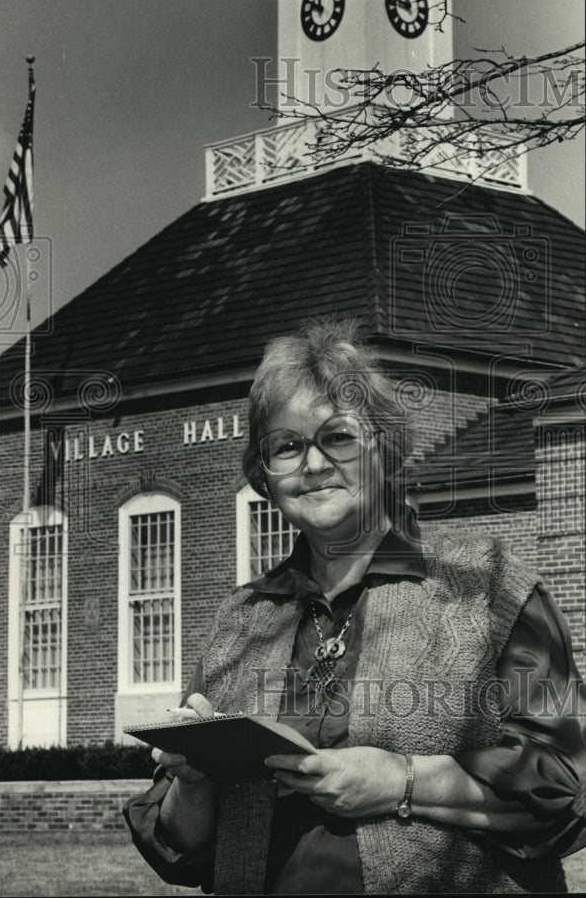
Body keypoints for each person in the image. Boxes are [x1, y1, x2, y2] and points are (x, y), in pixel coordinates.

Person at [123, 319, 586, 895]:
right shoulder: (238, 621)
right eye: (287, 446)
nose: (313, 464)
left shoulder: (490, 588)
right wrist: (194, 783)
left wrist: (400, 780)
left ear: (383, 449)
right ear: (265, 477)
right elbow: (183, 850)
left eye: (337, 437)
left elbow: (566, 783)